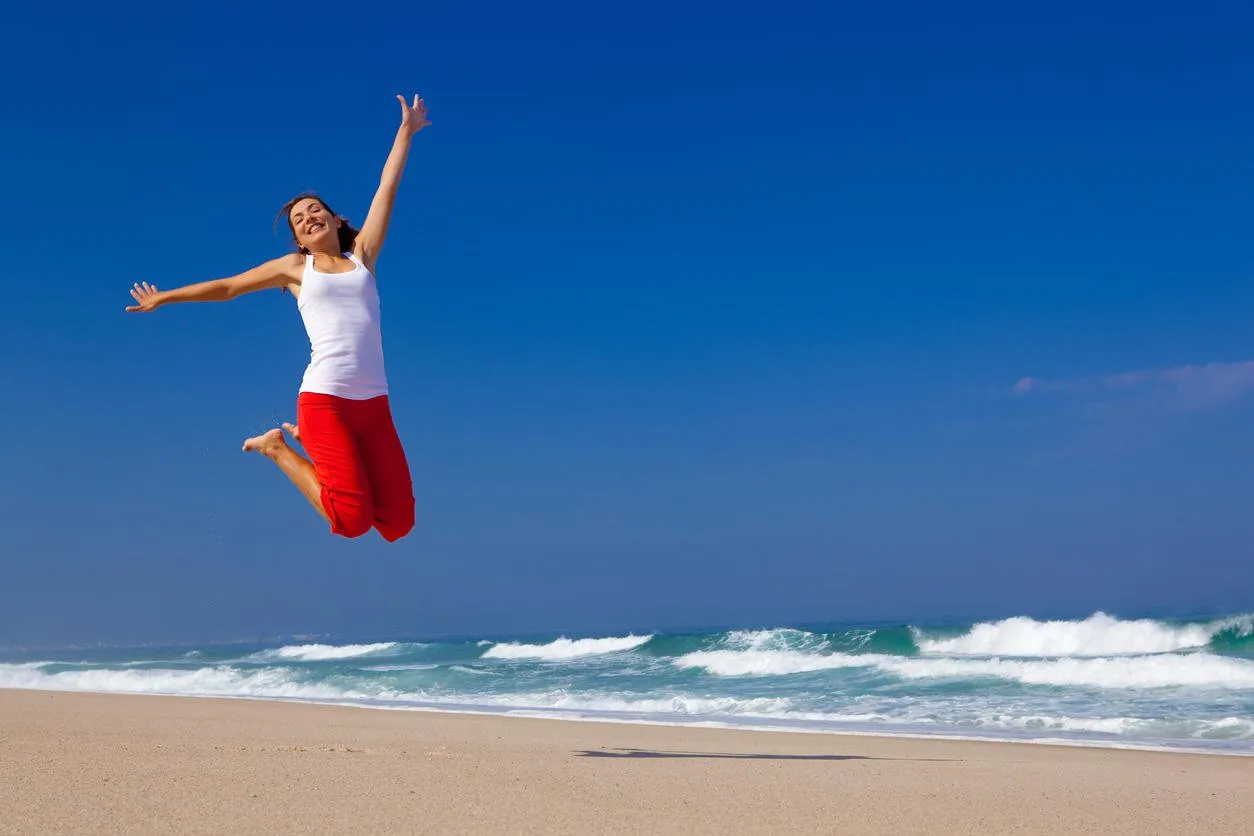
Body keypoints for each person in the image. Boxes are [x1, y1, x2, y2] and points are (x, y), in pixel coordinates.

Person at [125, 93, 431, 542]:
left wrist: (405, 132)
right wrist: (164, 297)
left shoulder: (362, 256)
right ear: (299, 241)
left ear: (332, 218)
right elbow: (228, 288)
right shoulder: (294, 270)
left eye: (315, 211)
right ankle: (276, 447)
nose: (308, 219)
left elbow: (387, 189)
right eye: (299, 221)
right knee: (351, 521)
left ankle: (324, 454)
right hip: (324, 399)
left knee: (398, 524)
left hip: (374, 405)